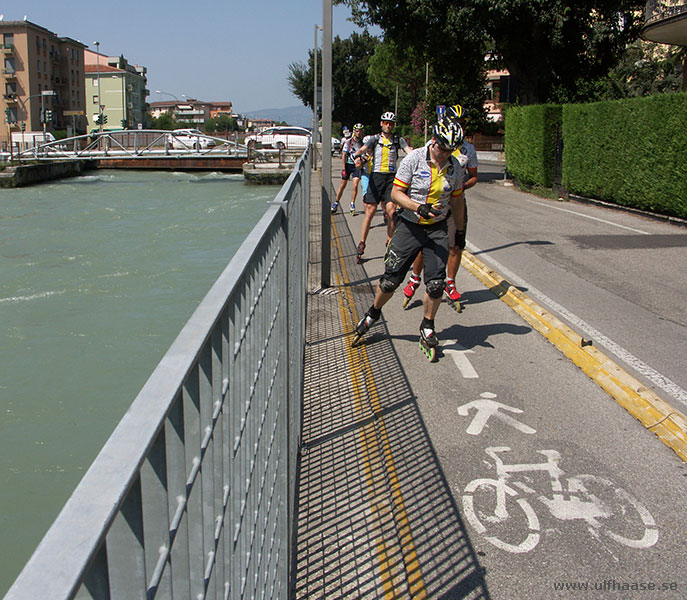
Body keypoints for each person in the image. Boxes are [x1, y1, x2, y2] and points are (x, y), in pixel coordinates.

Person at [352, 116, 465, 358]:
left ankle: (427, 325)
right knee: (391, 280)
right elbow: (395, 193)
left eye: (450, 150)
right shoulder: (414, 159)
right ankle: (373, 312)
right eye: (443, 148)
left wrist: (461, 232)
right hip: (410, 225)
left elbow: (457, 201)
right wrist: (417, 207)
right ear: (434, 141)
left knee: (436, 284)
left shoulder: (455, 167)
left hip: (437, 229)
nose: (446, 154)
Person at [402, 104, 478, 309]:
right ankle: (415, 277)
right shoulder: (434, 143)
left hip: (455, 201)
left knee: (456, 245)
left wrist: (460, 187)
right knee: (425, 242)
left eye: (462, 123)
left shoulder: (468, 149)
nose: (459, 126)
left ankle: (450, 283)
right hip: (434, 203)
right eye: (456, 122)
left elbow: (474, 177)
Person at [352, 112, 412, 262]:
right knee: (370, 212)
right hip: (376, 177)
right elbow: (361, 150)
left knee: (391, 213)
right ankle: (362, 243)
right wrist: (357, 157)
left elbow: (409, 152)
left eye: (391, 123)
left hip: (392, 178)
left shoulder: (398, 139)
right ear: (381, 123)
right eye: (386, 122)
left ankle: (389, 244)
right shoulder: (375, 139)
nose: (388, 125)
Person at [332, 123, 365, 215]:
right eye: (357, 131)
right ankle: (336, 202)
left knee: (355, 185)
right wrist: (343, 168)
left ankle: (352, 203)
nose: (358, 133)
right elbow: (344, 155)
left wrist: (361, 162)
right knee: (343, 185)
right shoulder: (349, 142)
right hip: (347, 165)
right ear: (354, 131)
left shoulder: (362, 143)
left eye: (360, 131)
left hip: (357, 167)